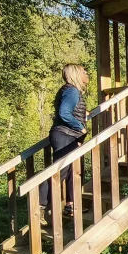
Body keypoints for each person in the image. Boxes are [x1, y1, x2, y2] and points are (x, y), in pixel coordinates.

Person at [39, 64, 90, 220]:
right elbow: (64, 113)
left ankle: (70, 206)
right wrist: (80, 126)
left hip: (67, 136)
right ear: (76, 74)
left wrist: (83, 114)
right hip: (65, 135)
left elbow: (69, 110)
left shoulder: (68, 90)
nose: (87, 74)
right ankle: (39, 206)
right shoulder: (72, 91)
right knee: (60, 171)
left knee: (73, 171)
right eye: (84, 72)